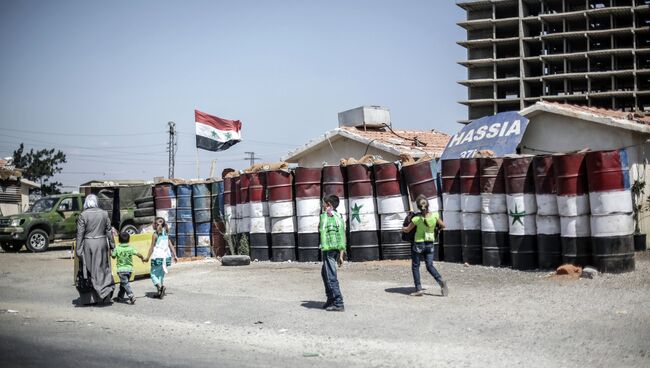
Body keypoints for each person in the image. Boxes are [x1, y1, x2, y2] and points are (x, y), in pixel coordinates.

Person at [402, 195, 449, 297]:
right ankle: (441, 281)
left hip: (418, 244)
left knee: (415, 266)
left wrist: (402, 227)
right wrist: (437, 230)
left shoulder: (416, 219)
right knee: (429, 265)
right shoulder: (435, 215)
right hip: (430, 244)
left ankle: (419, 289)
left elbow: (407, 230)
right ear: (428, 205)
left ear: (419, 207)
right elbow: (443, 225)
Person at [75, 194, 116, 305]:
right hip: (102, 243)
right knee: (102, 269)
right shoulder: (104, 213)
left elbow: (80, 234)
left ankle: (92, 298)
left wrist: (78, 249)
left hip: (88, 244)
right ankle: (104, 294)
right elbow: (109, 231)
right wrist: (113, 246)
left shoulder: (83, 215)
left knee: (89, 270)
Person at [319, 195, 346, 312]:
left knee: (330, 275)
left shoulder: (325, 216)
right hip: (336, 249)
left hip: (329, 249)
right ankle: (330, 298)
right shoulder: (339, 216)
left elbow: (320, 229)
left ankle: (338, 302)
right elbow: (342, 234)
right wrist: (341, 255)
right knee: (325, 273)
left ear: (329, 204)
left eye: (324, 204)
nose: (322, 206)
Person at [143, 217, 178, 299]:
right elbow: (171, 245)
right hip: (166, 256)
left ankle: (160, 287)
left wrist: (147, 257)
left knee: (153, 274)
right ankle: (159, 292)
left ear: (155, 225)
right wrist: (175, 255)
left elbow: (152, 247)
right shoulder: (166, 233)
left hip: (158, 256)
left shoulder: (155, 235)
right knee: (161, 275)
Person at [111, 232, 145, 304]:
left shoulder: (117, 248)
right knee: (123, 283)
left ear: (119, 240)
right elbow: (138, 254)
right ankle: (120, 296)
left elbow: (113, 256)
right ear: (128, 240)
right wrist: (142, 258)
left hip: (121, 270)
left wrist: (111, 252)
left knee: (125, 283)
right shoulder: (130, 248)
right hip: (129, 270)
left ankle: (131, 295)